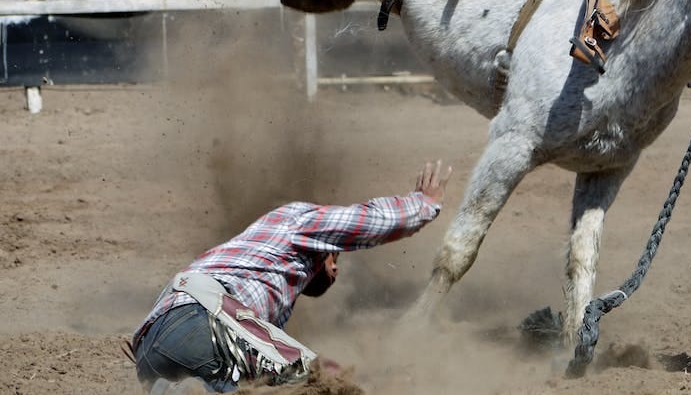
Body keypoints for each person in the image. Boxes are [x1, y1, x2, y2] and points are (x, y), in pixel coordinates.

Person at [130, 160, 452, 393]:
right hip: (201, 324)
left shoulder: (241, 265)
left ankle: (183, 390)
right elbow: (363, 221)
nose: (335, 270)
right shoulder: (298, 221)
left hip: (151, 350)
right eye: (334, 256)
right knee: (325, 385)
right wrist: (422, 205)